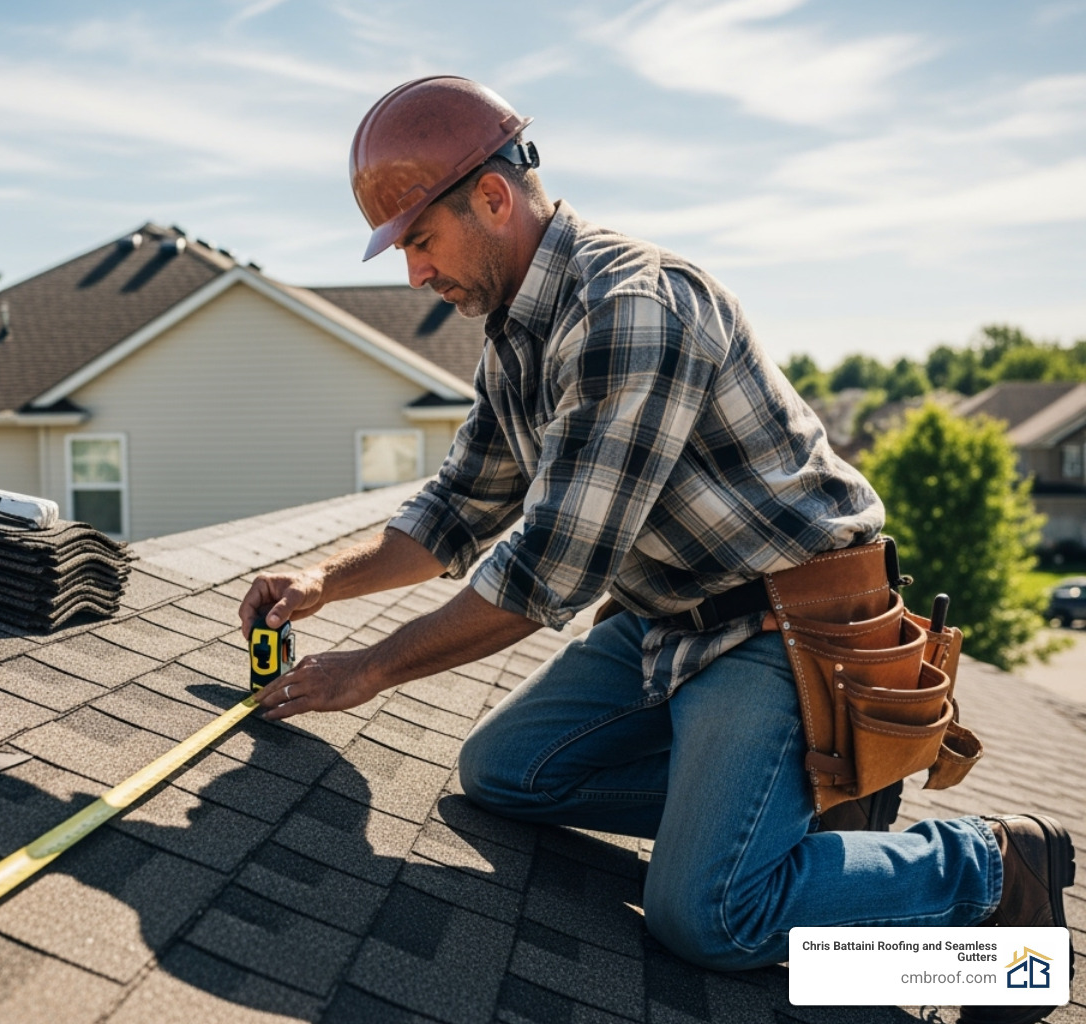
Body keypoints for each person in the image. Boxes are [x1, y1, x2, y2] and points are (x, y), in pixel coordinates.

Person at [240, 76, 1072, 1024]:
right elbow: (458, 510)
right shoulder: (516, 338)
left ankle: (990, 878)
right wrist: (322, 582)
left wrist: (371, 669)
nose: (415, 276)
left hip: (786, 630)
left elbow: (545, 572)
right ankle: (802, 809)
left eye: (420, 241)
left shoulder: (629, 308)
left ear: (495, 199)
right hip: (669, 622)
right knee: (505, 773)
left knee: (709, 918)